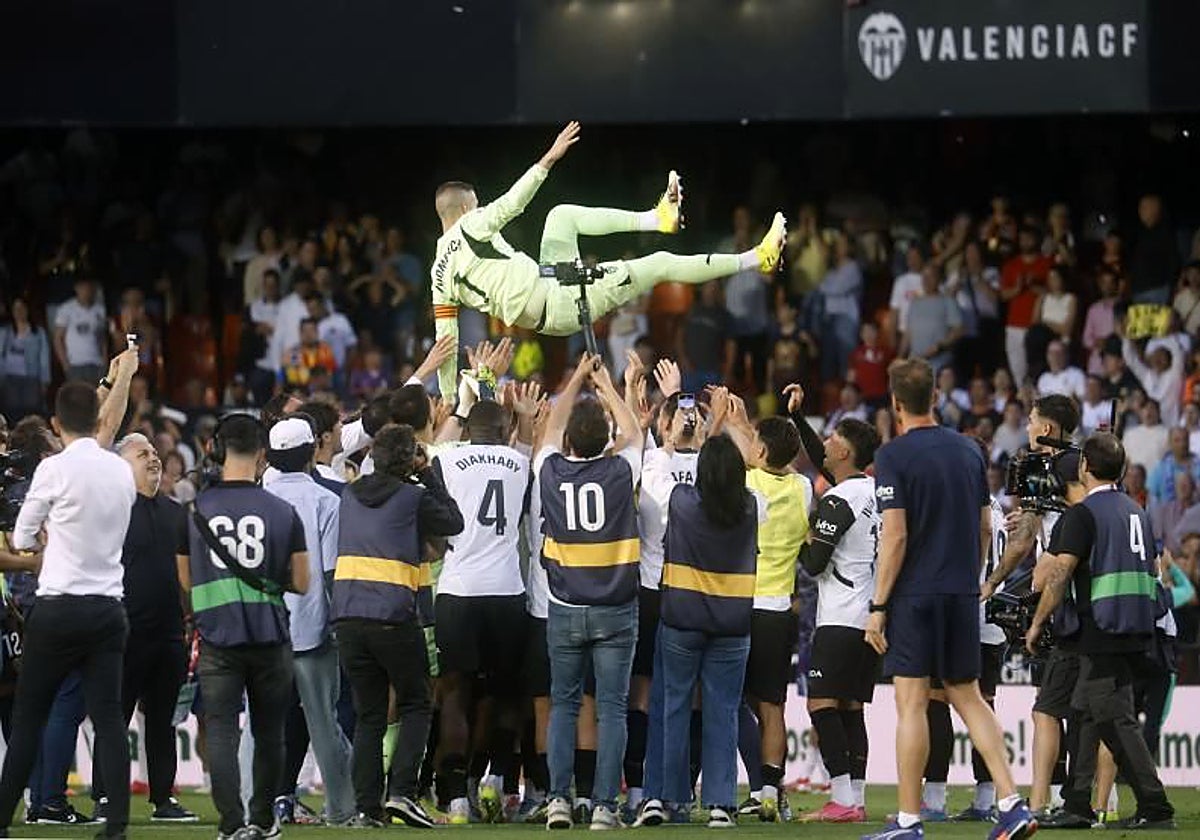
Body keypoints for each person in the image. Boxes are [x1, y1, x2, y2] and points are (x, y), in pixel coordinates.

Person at [430, 122, 786, 398]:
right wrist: (548, 159)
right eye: (476, 205)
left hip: (547, 291)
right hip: (560, 301)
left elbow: (446, 340)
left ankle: (657, 218)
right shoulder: (470, 224)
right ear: (465, 208)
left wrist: (446, 398)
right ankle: (758, 258)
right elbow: (512, 204)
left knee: (561, 216)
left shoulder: (438, 275)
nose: (479, 208)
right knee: (660, 263)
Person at [863, 357, 1035, 840]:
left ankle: (908, 821)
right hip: (962, 592)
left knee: (912, 703)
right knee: (970, 697)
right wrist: (971, 580)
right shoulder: (969, 451)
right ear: (936, 397)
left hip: (914, 594)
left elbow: (895, 536)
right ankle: (1011, 802)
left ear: (895, 403)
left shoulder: (893, 455)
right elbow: (985, 526)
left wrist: (878, 606)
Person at [0, 355, 139, 840]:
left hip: (57, 606)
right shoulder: (120, 471)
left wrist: (43, 539)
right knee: (109, 719)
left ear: (57, 425)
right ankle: (116, 826)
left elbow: (22, 536)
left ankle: (3, 819)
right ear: (97, 419)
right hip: (107, 608)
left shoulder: (53, 470)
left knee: (29, 717)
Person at [1027, 433, 1175, 829]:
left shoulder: (1083, 514)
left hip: (1099, 627)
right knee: (1086, 711)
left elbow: (1060, 574)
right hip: (1134, 624)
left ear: (1084, 467)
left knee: (1114, 718)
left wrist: (1038, 622)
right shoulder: (1135, 509)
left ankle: (1155, 806)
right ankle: (1077, 803)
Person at [176, 413, 310, 840]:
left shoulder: (194, 511)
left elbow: (185, 578)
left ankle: (231, 823)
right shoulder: (283, 511)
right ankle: (261, 820)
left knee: (220, 730)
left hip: (217, 637)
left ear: (215, 449)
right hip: (270, 635)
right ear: (262, 455)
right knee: (269, 733)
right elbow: (302, 581)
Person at [331, 423, 464, 828]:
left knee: (370, 715)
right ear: (409, 460)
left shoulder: (349, 494)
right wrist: (428, 473)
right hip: (392, 614)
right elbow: (454, 521)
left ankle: (366, 808)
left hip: (348, 615)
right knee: (417, 703)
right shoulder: (413, 497)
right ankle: (403, 793)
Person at [537, 354, 644, 830]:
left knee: (563, 705)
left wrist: (577, 377)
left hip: (564, 606)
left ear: (568, 443)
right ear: (605, 441)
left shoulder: (550, 470)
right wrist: (608, 387)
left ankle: (558, 800)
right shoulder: (620, 472)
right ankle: (604, 806)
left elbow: (551, 427)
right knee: (612, 709)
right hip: (616, 608)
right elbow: (634, 431)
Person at [431, 396, 535, 824]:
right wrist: (525, 420)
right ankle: (495, 776)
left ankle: (456, 797)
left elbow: (435, 451)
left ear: (469, 431)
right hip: (506, 591)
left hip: (457, 589)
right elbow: (526, 450)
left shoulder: (446, 461)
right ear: (504, 430)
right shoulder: (521, 464)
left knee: (455, 695)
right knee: (504, 693)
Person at [714, 390, 812, 823]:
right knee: (772, 706)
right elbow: (780, 462)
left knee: (729, 700)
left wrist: (731, 423)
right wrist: (746, 427)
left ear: (761, 452)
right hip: (778, 610)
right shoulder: (803, 488)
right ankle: (771, 791)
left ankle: (736, 788)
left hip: (739, 604)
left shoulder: (747, 485)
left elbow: (752, 461)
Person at [656, 434, 763, 829]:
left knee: (675, 709)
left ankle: (673, 799)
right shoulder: (752, 506)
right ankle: (721, 803)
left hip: (683, 620)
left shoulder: (682, 502)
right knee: (724, 713)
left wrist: (677, 441)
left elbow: (656, 473)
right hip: (732, 624)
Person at [786, 382, 880, 824]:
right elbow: (820, 456)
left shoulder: (839, 499)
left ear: (844, 452)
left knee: (821, 705)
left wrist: (800, 533)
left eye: (832, 439)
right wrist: (797, 417)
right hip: (869, 617)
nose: (825, 443)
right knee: (851, 709)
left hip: (839, 615)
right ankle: (855, 799)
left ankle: (841, 799)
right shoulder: (873, 492)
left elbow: (813, 564)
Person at [90, 434, 196, 823]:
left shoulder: (177, 512)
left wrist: (190, 620)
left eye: (154, 452)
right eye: (142, 454)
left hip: (169, 633)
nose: (153, 458)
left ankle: (163, 798)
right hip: (123, 633)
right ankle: (104, 796)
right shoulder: (110, 511)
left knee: (163, 721)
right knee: (114, 718)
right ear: (121, 465)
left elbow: (186, 574)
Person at [262, 416, 355, 827]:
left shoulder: (258, 499)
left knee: (261, 725)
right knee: (323, 725)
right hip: (312, 627)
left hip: (263, 629)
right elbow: (333, 571)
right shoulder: (326, 500)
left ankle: (256, 805)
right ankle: (342, 810)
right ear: (309, 453)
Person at [0, 296, 51, 421]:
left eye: (22, 308)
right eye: (16, 309)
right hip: (10, 379)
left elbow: (44, 358)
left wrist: (44, 381)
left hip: (31, 379)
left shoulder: (38, 333)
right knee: (12, 413)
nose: (19, 312)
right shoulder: (4, 332)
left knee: (31, 414)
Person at [53, 278, 107, 383]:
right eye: (83, 287)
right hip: (75, 365)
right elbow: (57, 339)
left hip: (97, 364)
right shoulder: (66, 309)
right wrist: (65, 365)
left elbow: (103, 339)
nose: (86, 291)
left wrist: (104, 363)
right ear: (77, 288)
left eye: (89, 287)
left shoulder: (100, 310)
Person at [1148, 427, 1200, 506]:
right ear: (1170, 443)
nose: (1182, 444)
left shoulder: (1198, 465)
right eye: (1177, 440)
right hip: (1167, 512)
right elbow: (1151, 497)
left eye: (1185, 439)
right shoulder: (1160, 468)